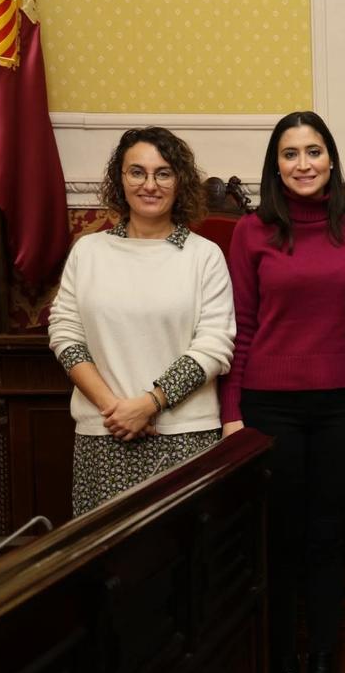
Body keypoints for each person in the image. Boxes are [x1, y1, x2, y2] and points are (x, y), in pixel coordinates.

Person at [218, 111, 345, 673]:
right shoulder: (251, 231)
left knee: (326, 544)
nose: (304, 163)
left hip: (343, 404)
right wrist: (232, 414)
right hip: (269, 406)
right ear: (276, 165)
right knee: (280, 546)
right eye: (290, 154)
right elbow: (242, 327)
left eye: (315, 151)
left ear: (332, 161)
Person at [49, 127, 234, 516]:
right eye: (137, 172)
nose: (150, 184)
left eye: (163, 173)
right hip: (103, 434)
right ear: (120, 178)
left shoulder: (205, 256)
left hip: (186, 437)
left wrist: (149, 404)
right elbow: (65, 333)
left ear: (179, 181)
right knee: (107, 566)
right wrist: (116, 409)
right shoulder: (90, 251)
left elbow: (214, 345)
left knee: (184, 565)